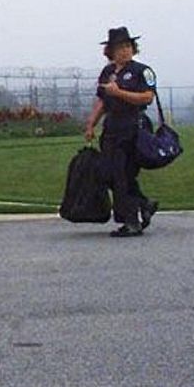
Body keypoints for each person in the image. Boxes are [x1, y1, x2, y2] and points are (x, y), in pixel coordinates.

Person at [82, 26, 159, 237]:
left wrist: (120, 93)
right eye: (119, 47)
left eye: (127, 46)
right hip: (112, 127)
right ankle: (144, 204)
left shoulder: (141, 71)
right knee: (108, 173)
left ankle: (131, 221)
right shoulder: (107, 73)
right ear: (111, 51)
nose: (124, 51)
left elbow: (147, 97)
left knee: (123, 174)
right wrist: (91, 124)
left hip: (132, 126)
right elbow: (102, 101)